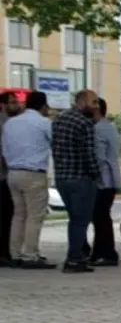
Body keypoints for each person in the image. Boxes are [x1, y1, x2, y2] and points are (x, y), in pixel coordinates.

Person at [2, 91, 53, 269]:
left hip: (13, 173)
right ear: (43, 106)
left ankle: (15, 254)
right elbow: (53, 143)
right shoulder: (43, 122)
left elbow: (5, 149)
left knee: (19, 215)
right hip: (33, 173)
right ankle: (30, 255)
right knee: (35, 215)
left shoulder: (10, 123)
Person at [52, 89, 101, 274]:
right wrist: (97, 175)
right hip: (81, 179)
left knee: (74, 219)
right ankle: (73, 259)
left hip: (62, 178)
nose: (96, 107)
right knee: (81, 221)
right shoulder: (85, 123)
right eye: (94, 102)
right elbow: (89, 154)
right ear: (82, 102)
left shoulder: (59, 120)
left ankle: (76, 256)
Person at [87, 98, 121, 266]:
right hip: (107, 180)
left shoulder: (101, 129)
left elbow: (102, 157)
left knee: (101, 217)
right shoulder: (107, 127)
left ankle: (107, 253)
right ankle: (99, 252)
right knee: (99, 217)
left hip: (103, 180)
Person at [0, 92, 20, 267]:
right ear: (3, 105)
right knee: (7, 216)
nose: (17, 105)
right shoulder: (6, 123)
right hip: (4, 176)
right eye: (12, 102)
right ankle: (4, 253)